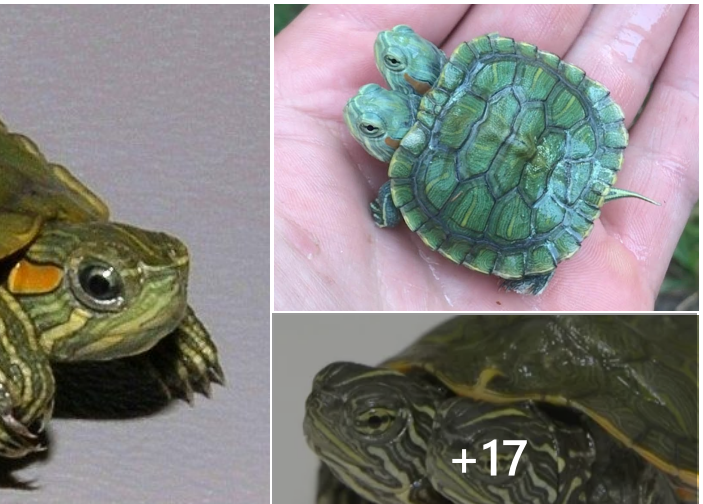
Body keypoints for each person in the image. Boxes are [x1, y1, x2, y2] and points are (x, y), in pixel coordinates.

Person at [274, 5, 698, 310]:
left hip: (550, 174)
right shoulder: (483, 64)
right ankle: (538, 262)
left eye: (395, 58)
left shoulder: (413, 182)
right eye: (371, 126)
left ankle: (538, 263)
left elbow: (395, 206)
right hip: (579, 143)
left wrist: (386, 209)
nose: (384, 50)